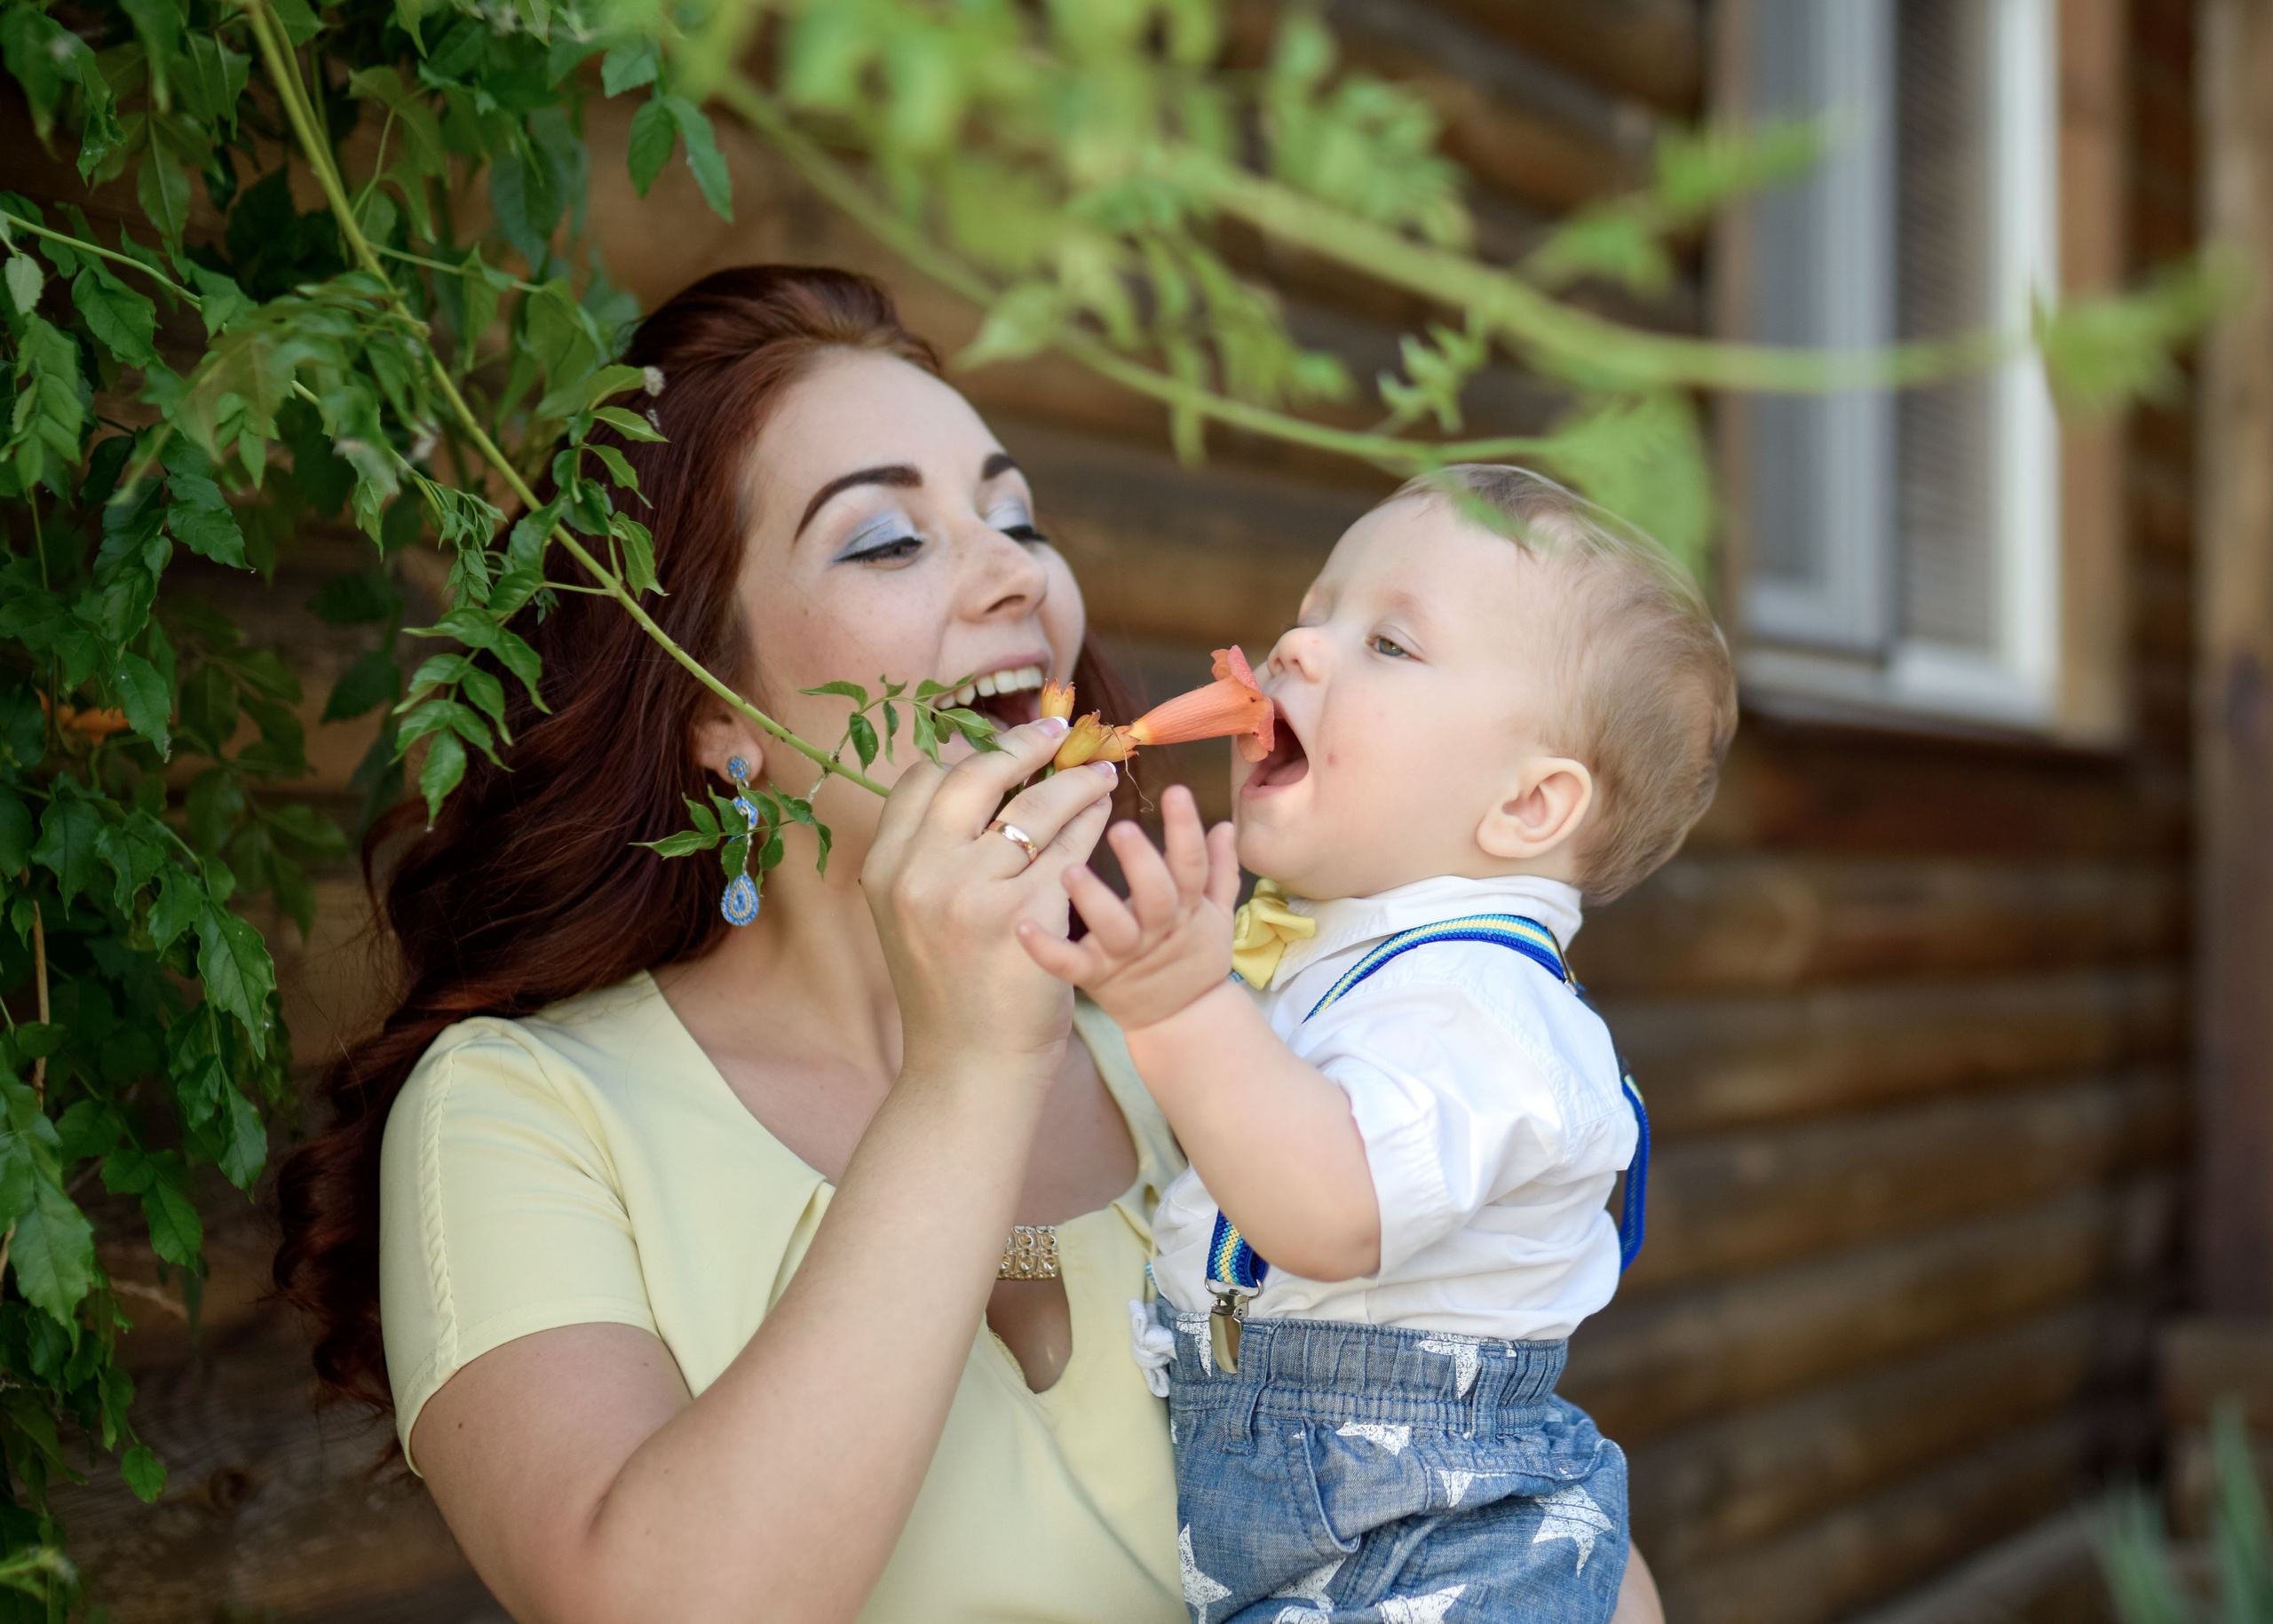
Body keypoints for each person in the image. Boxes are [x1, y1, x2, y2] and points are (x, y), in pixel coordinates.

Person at [271, 268, 1669, 1624]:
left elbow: (1516, 1516)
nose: (1014, 574)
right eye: (888, 537)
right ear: (714, 709)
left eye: (1020, 521)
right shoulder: (519, 1111)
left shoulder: (1218, 1040)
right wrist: (972, 1060)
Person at [1020, 466, 1736, 1623]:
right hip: (1314, 1503)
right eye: (1316, 608)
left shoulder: (1484, 1006)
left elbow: (1334, 1206)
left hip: (1432, 1544)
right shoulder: (1348, 959)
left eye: (1390, 644)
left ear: (1529, 807)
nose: (1298, 646)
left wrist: (1179, 1010)